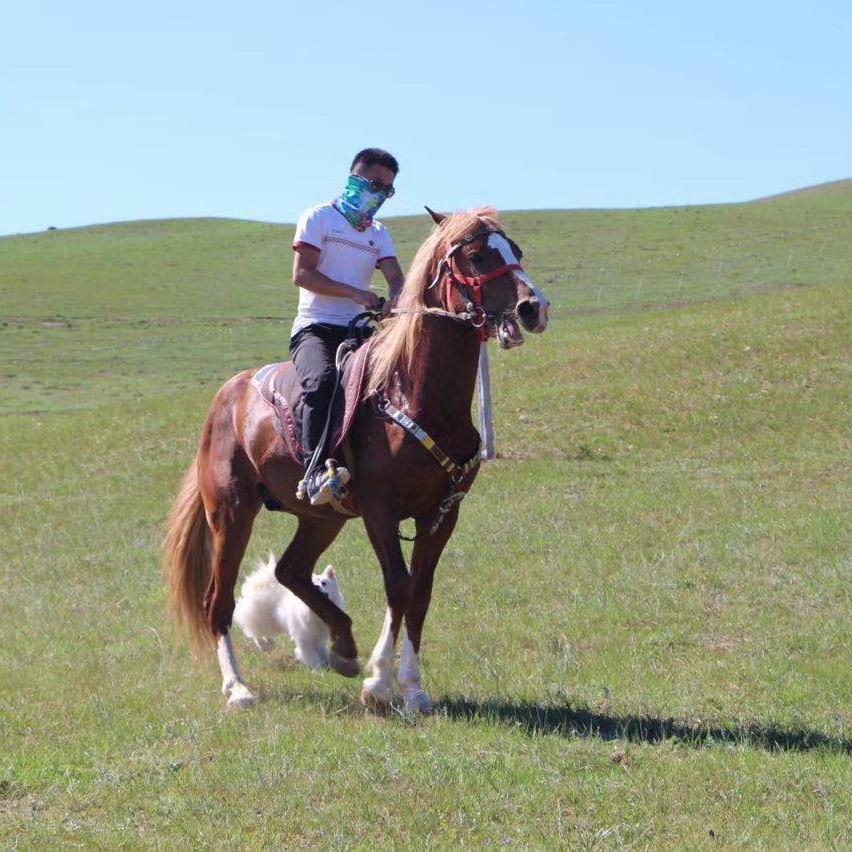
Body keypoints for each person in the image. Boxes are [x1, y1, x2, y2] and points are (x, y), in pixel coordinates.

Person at [290, 148, 405, 505]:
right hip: (316, 328)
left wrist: (395, 302)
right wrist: (359, 294)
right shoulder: (319, 218)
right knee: (322, 383)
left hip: (360, 329)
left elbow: (396, 279)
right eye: (375, 184)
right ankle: (313, 475)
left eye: (387, 189)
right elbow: (303, 274)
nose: (380, 194)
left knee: (396, 383)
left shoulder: (380, 234)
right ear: (354, 178)